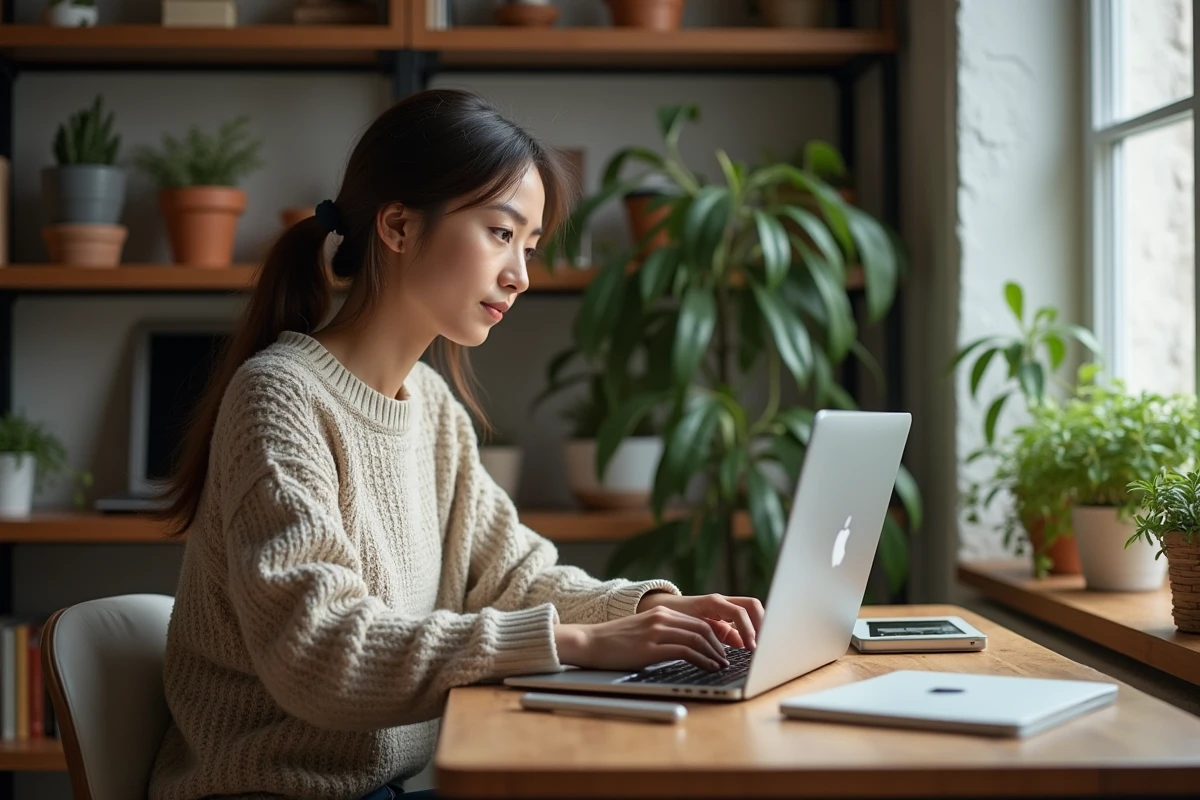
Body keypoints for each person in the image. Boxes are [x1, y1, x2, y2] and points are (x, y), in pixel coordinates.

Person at [147, 88, 764, 800]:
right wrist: (579, 643)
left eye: (529, 247)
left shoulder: (432, 408)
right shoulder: (279, 397)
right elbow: (319, 651)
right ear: (400, 227)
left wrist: (647, 609)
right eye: (502, 234)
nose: (521, 275)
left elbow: (514, 579)